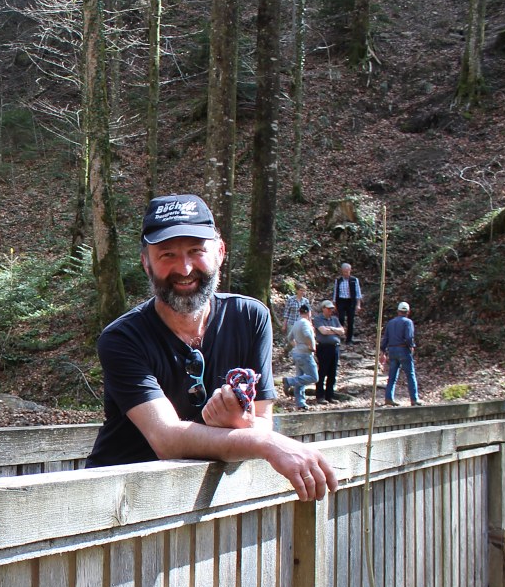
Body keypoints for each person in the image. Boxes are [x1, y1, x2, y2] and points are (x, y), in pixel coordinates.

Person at [84, 193, 337, 501]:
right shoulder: (122, 338)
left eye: (196, 251)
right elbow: (167, 439)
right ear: (146, 263)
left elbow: (260, 419)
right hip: (119, 502)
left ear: (220, 252)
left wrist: (242, 422)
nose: (185, 269)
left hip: (199, 503)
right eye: (167, 255)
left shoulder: (250, 318)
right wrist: (266, 443)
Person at [381, 301, 419, 406]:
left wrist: (382, 351)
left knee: (392, 376)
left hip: (392, 350)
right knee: (410, 375)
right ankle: (414, 399)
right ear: (408, 312)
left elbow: (385, 338)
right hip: (403, 349)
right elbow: (409, 337)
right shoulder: (408, 322)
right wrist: (411, 346)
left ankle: (388, 398)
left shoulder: (390, 323)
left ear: (398, 311)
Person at [283, 302, 317, 409]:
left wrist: (297, 345)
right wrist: (311, 346)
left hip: (297, 353)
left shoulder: (297, 323)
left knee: (300, 378)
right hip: (305, 354)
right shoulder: (305, 323)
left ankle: (300, 402)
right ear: (308, 312)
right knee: (314, 377)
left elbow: (289, 338)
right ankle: (289, 381)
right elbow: (307, 335)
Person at [313, 299, 346, 404]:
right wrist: (335, 331)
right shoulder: (318, 319)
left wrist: (331, 328)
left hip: (335, 347)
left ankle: (330, 395)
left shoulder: (334, 319)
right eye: (328, 308)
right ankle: (320, 395)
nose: (330, 310)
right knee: (322, 372)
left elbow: (342, 331)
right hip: (324, 348)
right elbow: (323, 331)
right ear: (323, 309)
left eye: (332, 309)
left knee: (332, 373)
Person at [332, 262, 363, 344]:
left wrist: (358, 304)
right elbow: (335, 292)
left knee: (350, 320)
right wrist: (334, 304)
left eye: (347, 271)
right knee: (340, 318)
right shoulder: (338, 280)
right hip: (341, 301)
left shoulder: (354, 280)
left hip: (351, 301)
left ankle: (349, 339)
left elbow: (358, 292)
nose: (346, 273)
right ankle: (339, 336)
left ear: (350, 270)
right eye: (344, 272)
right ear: (342, 271)